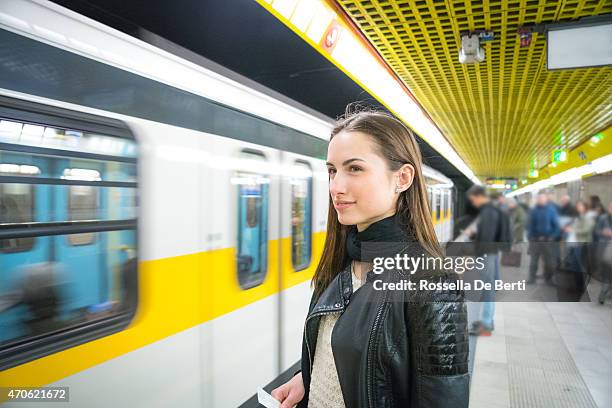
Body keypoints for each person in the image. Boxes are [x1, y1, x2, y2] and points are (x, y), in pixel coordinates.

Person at [271, 108, 469, 408]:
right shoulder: (340, 263)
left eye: (355, 169)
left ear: (402, 178)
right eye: (332, 171)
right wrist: (307, 377)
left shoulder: (433, 282)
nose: (336, 186)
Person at [465, 185, 501, 336]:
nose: (474, 203)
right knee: (489, 286)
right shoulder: (491, 210)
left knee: (487, 288)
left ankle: (486, 325)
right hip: (491, 251)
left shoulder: (487, 212)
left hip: (486, 253)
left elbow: (485, 237)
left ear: (480, 196)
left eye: (474, 200)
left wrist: (472, 238)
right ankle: (487, 321)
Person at [527, 192, 560, 284]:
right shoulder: (533, 211)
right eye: (539, 198)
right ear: (537, 199)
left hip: (548, 240)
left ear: (546, 199)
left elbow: (556, 225)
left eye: (542, 198)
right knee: (533, 261)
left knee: (549, 261)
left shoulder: (551, 210)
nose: (541, 200)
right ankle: (531, 278)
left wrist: (553, 236)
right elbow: (530, 225)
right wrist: (530, 236)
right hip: (535, 240)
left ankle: (549, 279)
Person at [594, 202, 612, 305]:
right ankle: (603, 293)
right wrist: (603, 232)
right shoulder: (602, 218)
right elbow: (596, 231)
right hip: (605, 249)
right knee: (606, 273)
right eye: (610, 207)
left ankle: (606, 293)